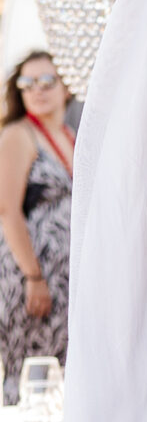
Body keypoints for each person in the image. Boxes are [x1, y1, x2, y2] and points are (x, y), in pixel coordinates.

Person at [0, 49, 73, 400]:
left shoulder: (69, 135)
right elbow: (7, 211)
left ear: (66, 86)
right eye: (28, 83)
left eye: (46, 81)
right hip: (29, 279)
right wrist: (34, 277)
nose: (37, 90)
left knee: (60, 383)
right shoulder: (19, 134)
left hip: (63, 282)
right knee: (30, 380)